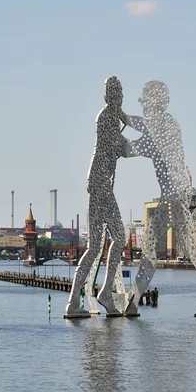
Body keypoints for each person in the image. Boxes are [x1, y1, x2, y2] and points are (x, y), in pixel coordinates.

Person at [123, 80, 196, 316]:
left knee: (151, 245)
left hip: (174, 196)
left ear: (155, 101)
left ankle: (132, 300)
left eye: (144, 99)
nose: (142, 103)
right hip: (176, 195)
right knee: (189, 248)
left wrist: (121, 121)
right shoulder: (164, 125)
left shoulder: (166, 126)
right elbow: (139, 137)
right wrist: (124, 121)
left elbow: (133, 146)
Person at [65, 76, 128, 318]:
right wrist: (150, 146)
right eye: (117, 93)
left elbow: (125, 125)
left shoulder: (111, 114)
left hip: (99, 183)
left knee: (94, 247)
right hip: (101, 185)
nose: (120, 97)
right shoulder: (108, 116)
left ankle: (74, 303)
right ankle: (101, 295)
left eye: (120, 92)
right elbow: (122, 147)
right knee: (118, 238)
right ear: (110, 96)